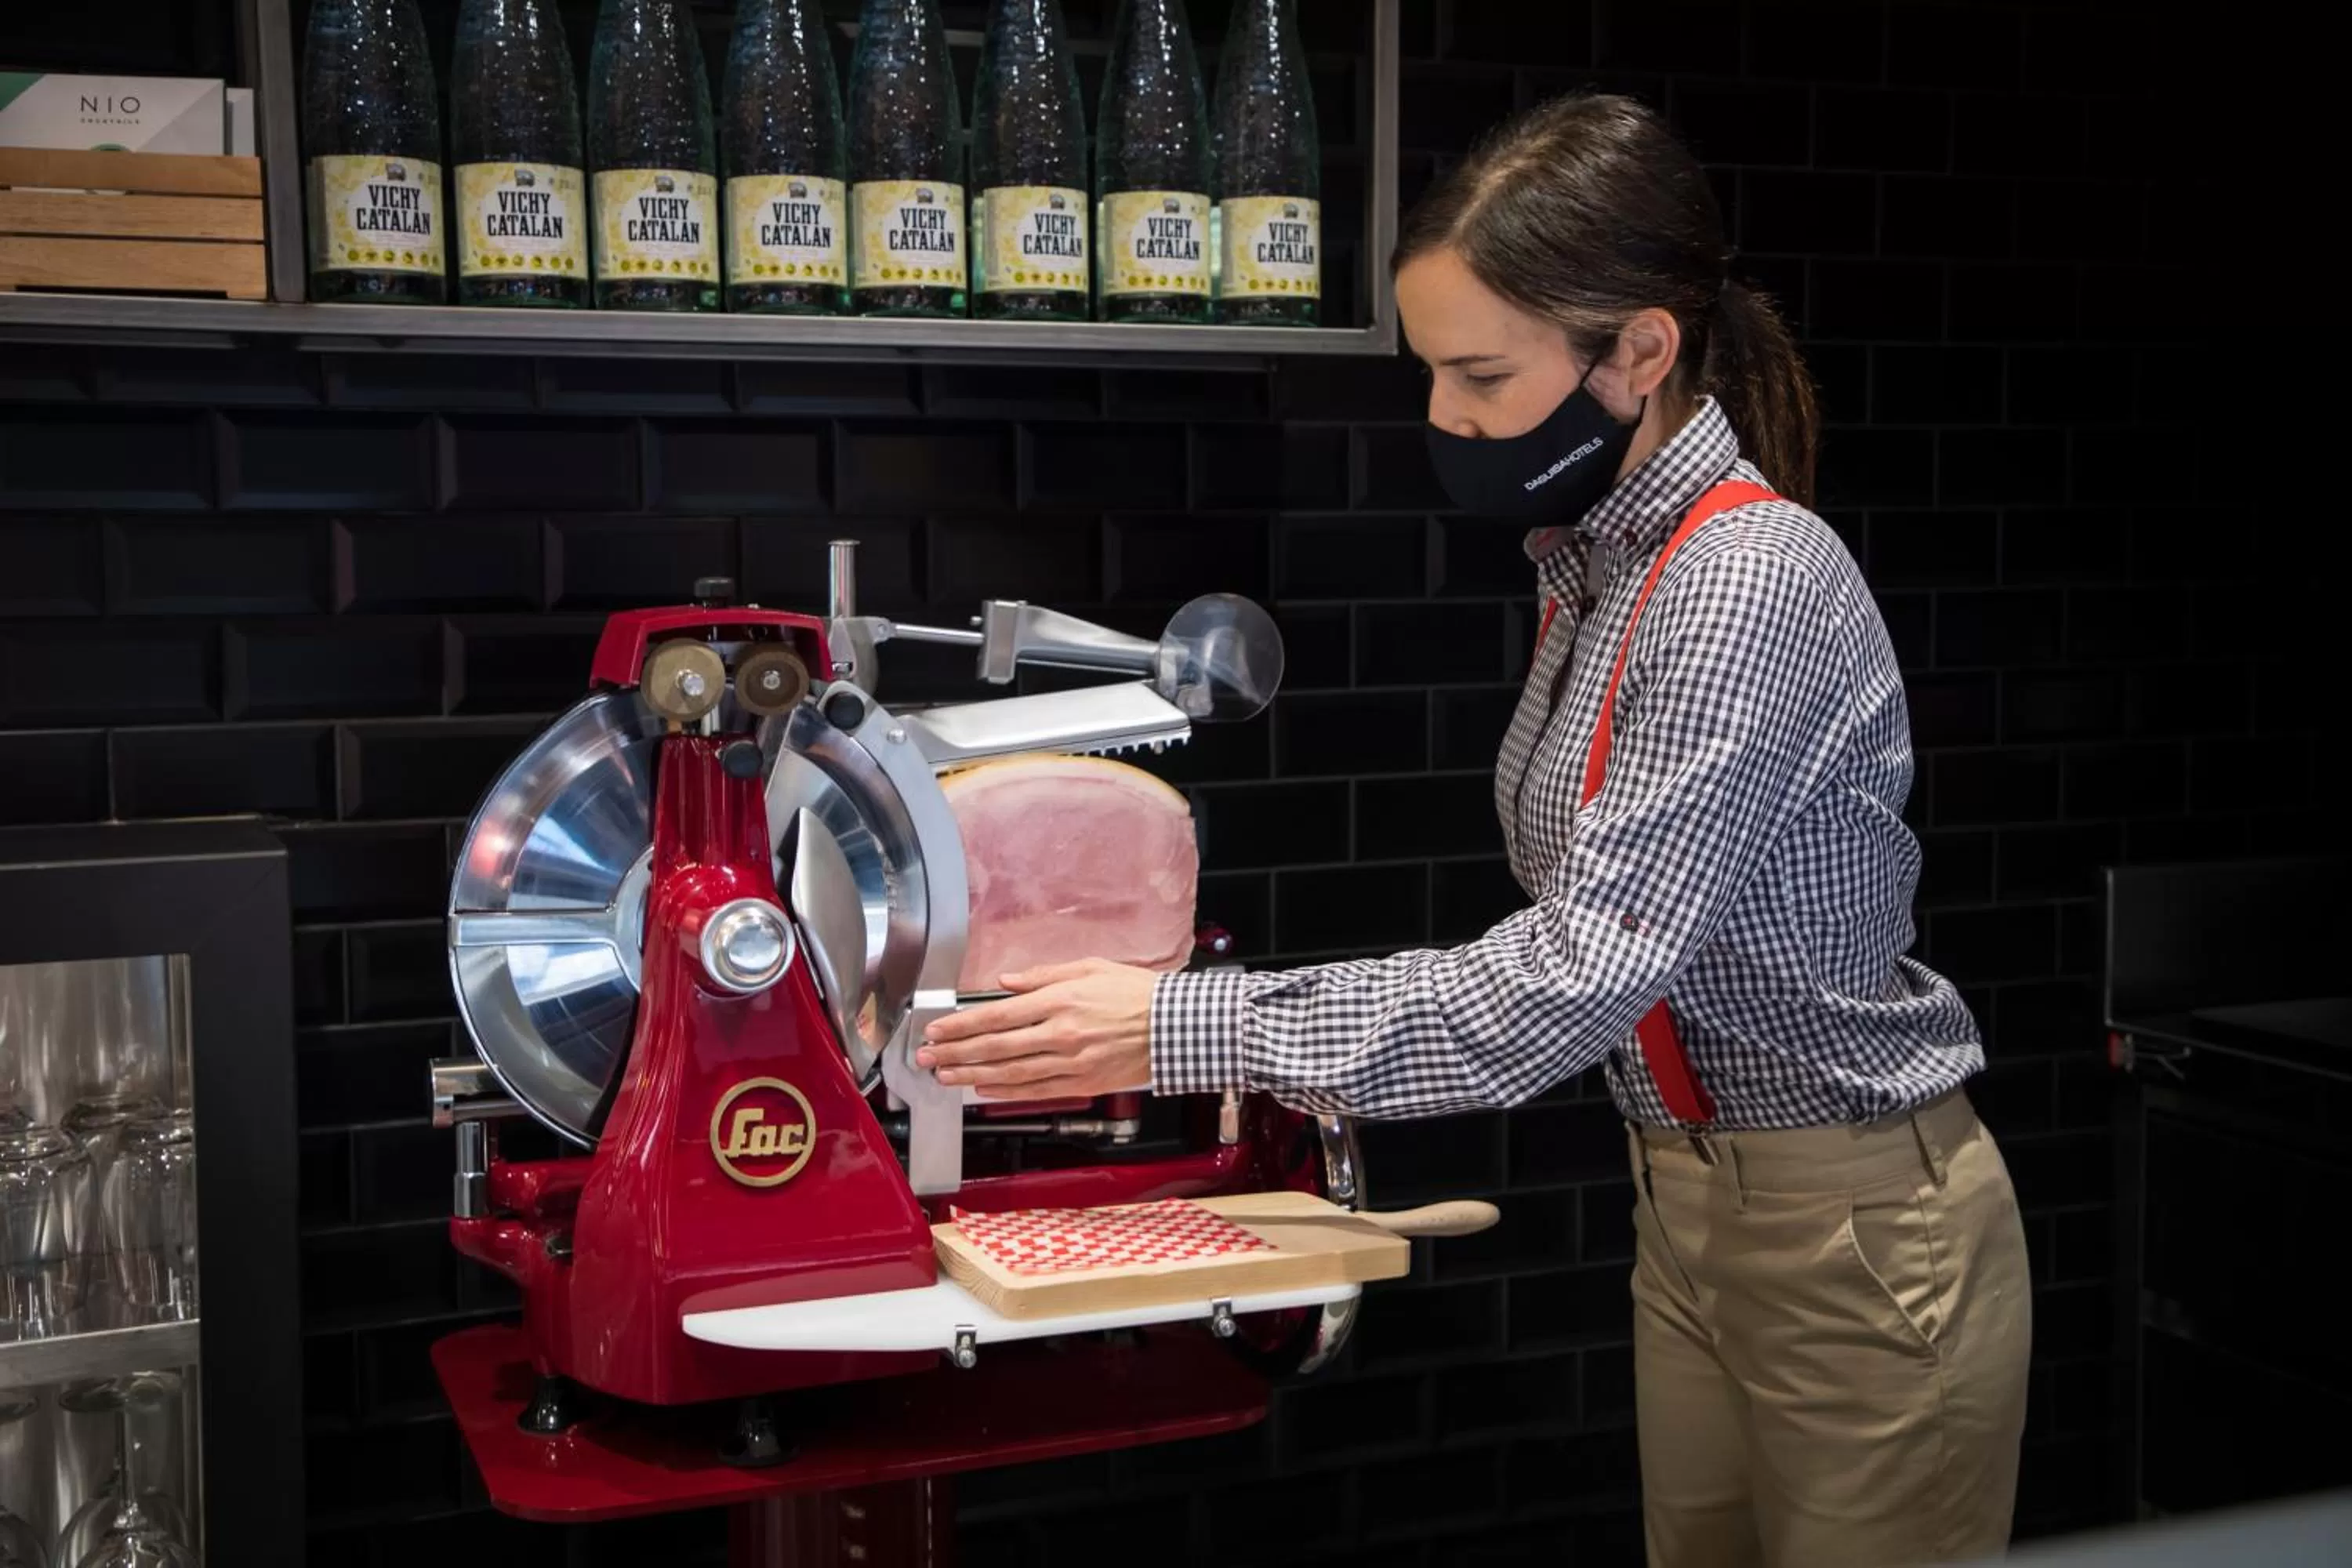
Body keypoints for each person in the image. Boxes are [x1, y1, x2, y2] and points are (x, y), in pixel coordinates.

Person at [918, 92, 2031, 1568]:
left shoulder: (1744, 580)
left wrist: (1184, 1027)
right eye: (1433, 370)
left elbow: (1573, 979)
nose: (1445, 419)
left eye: (1483, 375)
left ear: (1641, 353)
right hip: (1687, 1208)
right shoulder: (1594, 566)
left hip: (1855, 1229)